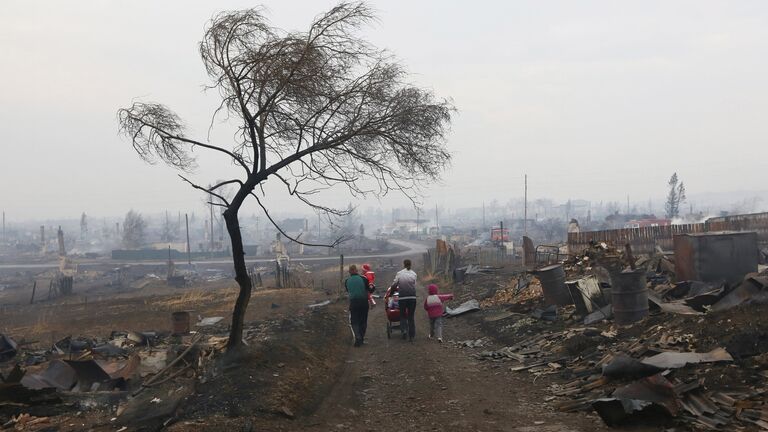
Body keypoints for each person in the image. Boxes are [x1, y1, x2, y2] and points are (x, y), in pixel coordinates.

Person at [344, 264, 373, 347]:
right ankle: (361, 338)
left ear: (349, 272)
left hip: (353, 303)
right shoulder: (364, 279)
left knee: (354, 321)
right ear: (357, 271)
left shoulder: (347, 281)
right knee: (363, 321)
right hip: (363, 302)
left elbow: (348, 291)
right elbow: (369, 290)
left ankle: (357, 337)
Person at [390, 259, 417, 341]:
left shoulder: (400, 273)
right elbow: (414, 285)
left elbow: (394, 285)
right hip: (412, 297)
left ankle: (404, 330)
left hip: (403, 298)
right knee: (411, 316)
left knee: (402, 315)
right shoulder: (414, 274)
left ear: (403, 264)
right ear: (411, 264)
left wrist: (391, 293)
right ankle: (412, 335)